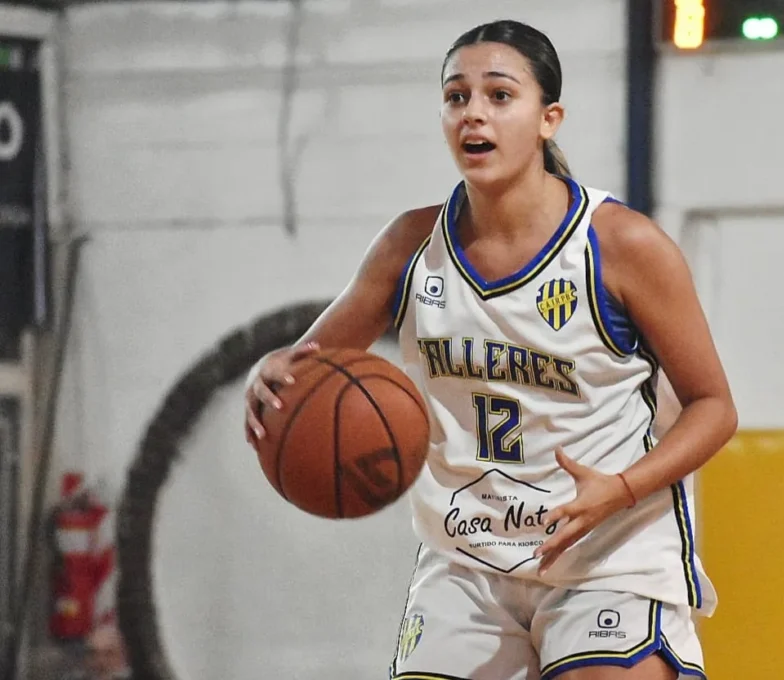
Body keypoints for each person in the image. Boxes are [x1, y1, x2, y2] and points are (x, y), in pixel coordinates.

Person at [244, 19, 737, 680]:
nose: (473, 112)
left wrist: (619, 489)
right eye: (456, 97)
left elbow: (714, 408)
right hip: (466, 559)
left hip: (606, 552)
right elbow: (302, 368)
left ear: (548, 118)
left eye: (499, 95)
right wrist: (269, 375)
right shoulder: (409, 246)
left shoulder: (619, 245)